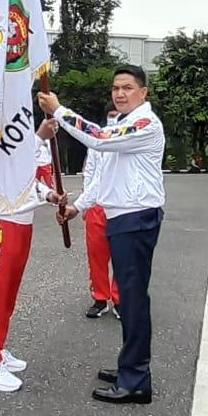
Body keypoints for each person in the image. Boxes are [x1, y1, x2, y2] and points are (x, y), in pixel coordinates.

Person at [43, 65, 165, 405]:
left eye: (128, 87)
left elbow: (96, 137)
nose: (120, 93)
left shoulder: (145, 124)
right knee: (129, 294)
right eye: (116, 88)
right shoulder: (122, 125)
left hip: (136, 218)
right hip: (122, 217)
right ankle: (129, 366)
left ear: (144, 93)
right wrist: (78, 207)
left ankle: (137, 379)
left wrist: (59, 111)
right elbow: (103, 177)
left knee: (134, 298)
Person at [0, 120, 64, 394]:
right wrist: (38, 138)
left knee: (9, 291)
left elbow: (20, 174)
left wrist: (47, 193)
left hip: (21, 217)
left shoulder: (14, 126)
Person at [81, 108, 120, 319]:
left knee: (122, 256)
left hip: (121, 206)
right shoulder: (97, 141)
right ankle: (100, 298)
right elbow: (90, 172)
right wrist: (85, 204)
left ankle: (120, 300)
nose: (114, 119)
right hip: (97, 205)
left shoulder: (129, 138)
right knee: (97, 255)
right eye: (111, 115)